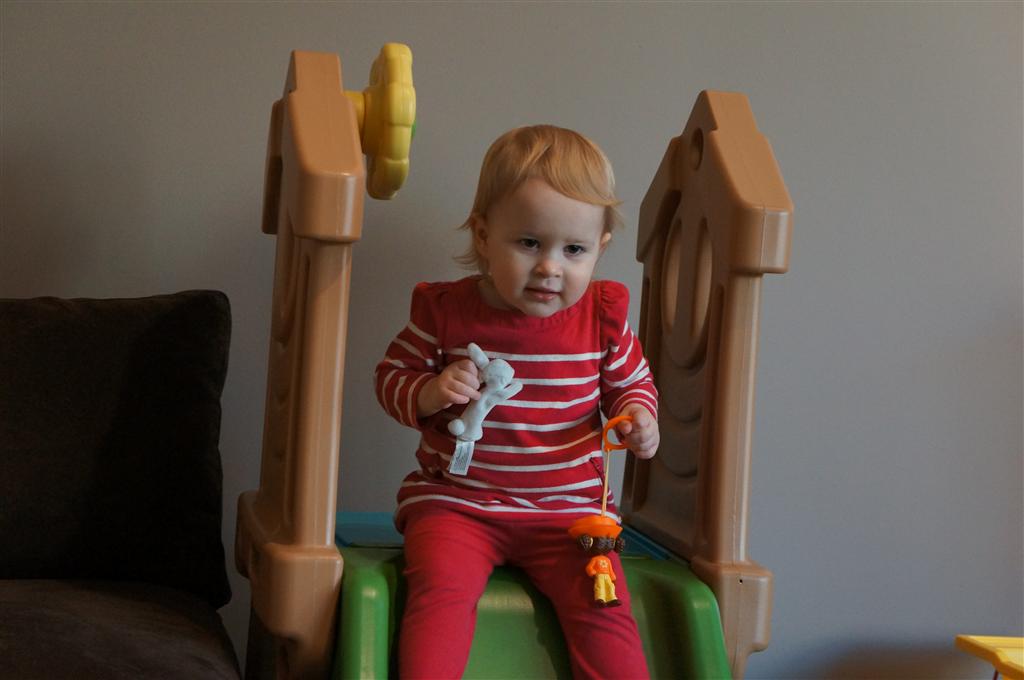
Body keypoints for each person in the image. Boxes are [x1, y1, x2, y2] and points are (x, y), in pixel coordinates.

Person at [375, 124, 660, 679]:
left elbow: (634, 383)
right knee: (440, 593)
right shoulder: (446, 312)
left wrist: (639, 417)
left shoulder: (602, 318)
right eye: (529, 243)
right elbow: (391, 377)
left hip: (570, 514)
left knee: (604, 610)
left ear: (599, 247)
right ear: (484, 236)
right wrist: (430, 392)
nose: (551, 267)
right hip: (457, 505)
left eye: (573, 249)